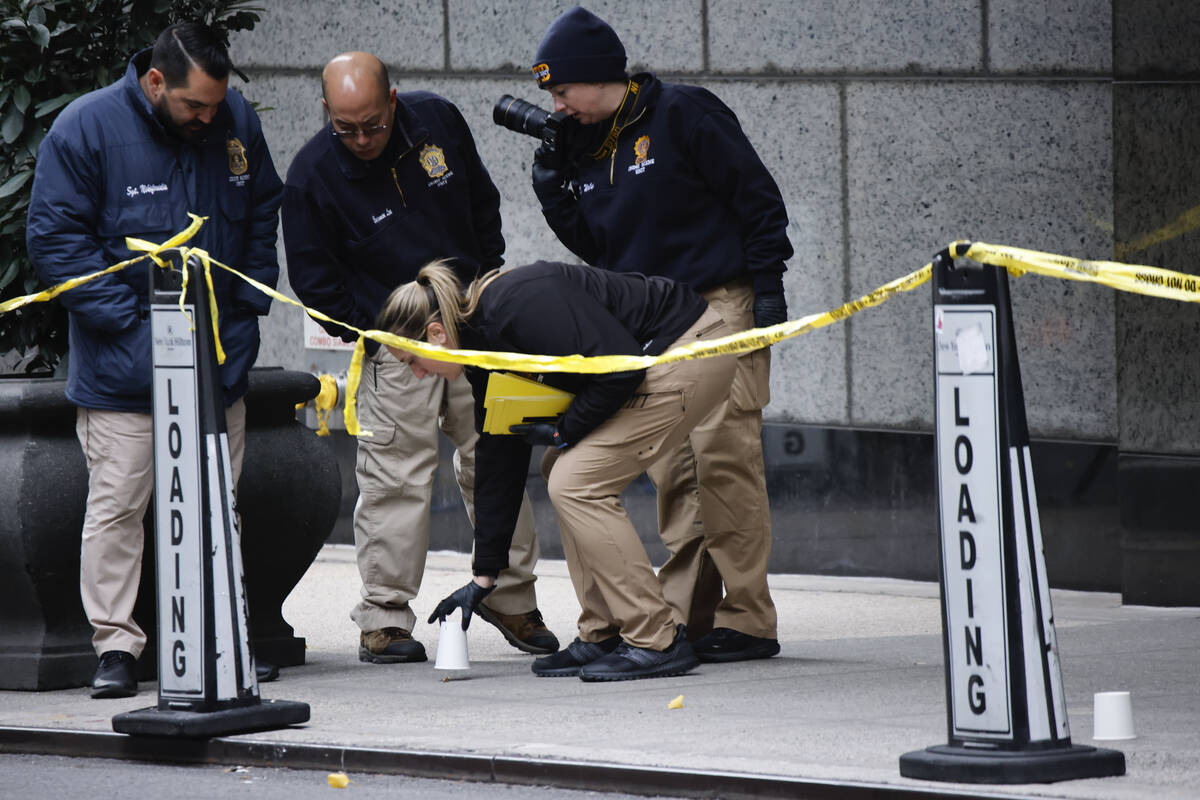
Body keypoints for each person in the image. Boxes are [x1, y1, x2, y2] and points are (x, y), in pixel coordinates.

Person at [526, 6, 791, 662]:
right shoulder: (588, 145)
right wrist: (555, 190)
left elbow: (758, 201)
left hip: (719, 301)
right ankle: (687, 620)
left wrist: (769, 294)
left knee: (724, 460)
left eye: (562, 92)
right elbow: (597, 245)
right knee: (675, 470)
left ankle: (748, 619)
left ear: (595, 77)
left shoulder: (683, 114)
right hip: (653, 319)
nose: (557, 107)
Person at [25, 22, 283, 698]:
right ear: (155, 82)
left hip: (218, 360)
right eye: (194, 106)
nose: (208, 118)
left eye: (215, 107)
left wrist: (247, 309)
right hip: (124, 370)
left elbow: (261, 210)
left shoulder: (234, 120)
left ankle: (216, 637)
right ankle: (116, 647)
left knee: (214, 508)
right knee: (118, 509)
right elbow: (56, 241)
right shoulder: (86, 128)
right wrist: (137, 330)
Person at [282, 52, 559, 664]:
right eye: (345, 128)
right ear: (326, 111)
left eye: (373, 125)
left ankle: (510, 596)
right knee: (394, 479)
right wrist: (392, 329)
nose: (361, 139)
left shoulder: (438, 121)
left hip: (471, 326)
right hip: (395, 346)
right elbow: (315, 284)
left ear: (394, 101)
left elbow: (484, 207)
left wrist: (481, 292)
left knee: (497, 457)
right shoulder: (310, 177)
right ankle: (384, 616)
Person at [380, 259, 737, 681]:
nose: (418, 375)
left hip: (688, 345)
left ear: (435, 335)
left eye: (412, 362)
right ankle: (602, 633)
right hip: (657, 354)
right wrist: (484, 576)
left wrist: (565, 430)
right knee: (562, 471)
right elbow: (498, 451)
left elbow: (619, 364)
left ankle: (654, 637)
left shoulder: (516, 307)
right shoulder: (480, 345)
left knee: (576, 481)